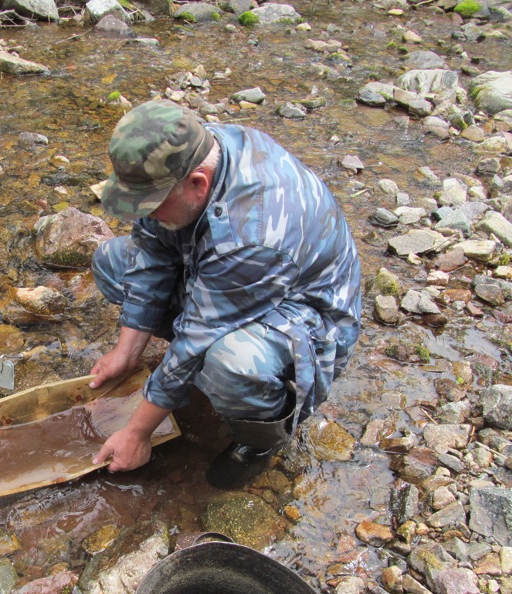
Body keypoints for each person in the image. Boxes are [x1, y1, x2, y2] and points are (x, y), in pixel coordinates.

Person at [88, 99, 362, 487]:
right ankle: (190, 376)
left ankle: (261, 438)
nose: (144, 215)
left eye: (150, 205)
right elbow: (152, 254)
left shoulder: (253, 232)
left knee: (230, 362)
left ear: (198, 184)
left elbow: (197, 339)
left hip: (305, 310)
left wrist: (136, 434)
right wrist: (127, 352)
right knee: (113, 262)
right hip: (227, 274)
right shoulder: (191, 152)